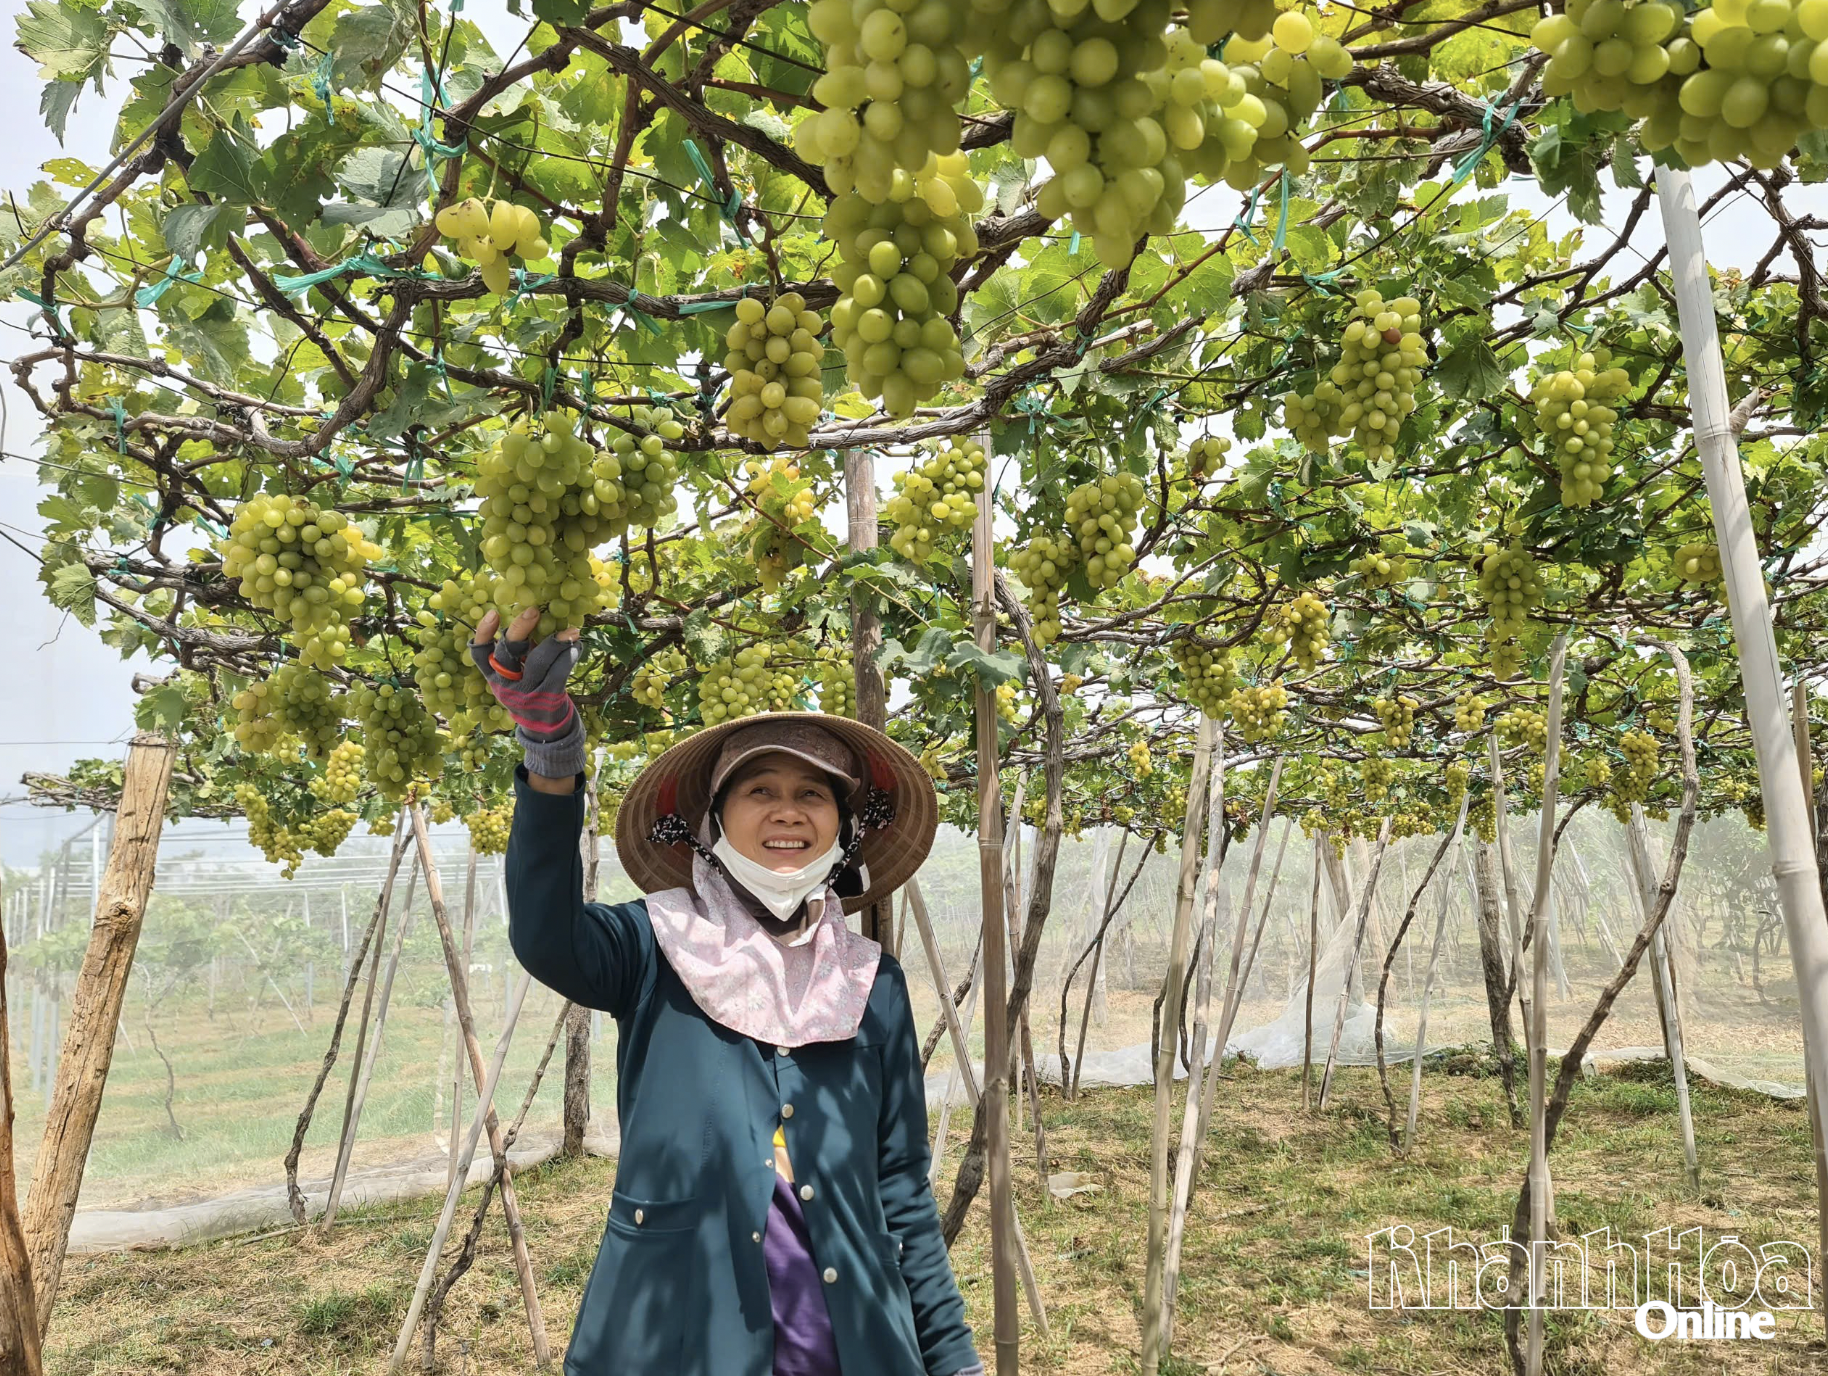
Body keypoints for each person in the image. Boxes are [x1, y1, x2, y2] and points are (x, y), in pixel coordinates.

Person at [472, 607, 985, 1376]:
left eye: (814, 795)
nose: (788, 810)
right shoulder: (653, 946)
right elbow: (546, 936)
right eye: (759, 790)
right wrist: (552, 756)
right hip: (679, 1340)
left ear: (842, 827)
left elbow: (902, 1190)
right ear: (711, 822)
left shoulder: (871, 982)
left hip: (850, 1343)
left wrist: (952, 1359)